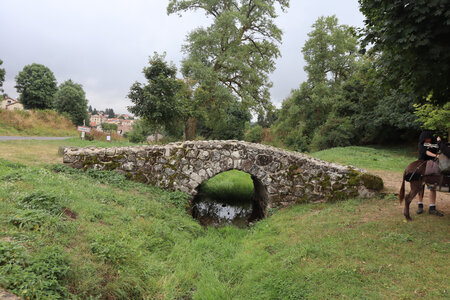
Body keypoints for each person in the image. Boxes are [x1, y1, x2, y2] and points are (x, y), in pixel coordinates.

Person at [417, 131, 443, 216]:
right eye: (426, 139)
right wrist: (435, 156)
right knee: (421, 185)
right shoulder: (421, 144)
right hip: (422, 164)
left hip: (432, 164)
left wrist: (439, 141)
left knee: (433, 186)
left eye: (429, 138)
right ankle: (420, 205)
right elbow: (426, 152)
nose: (428, 140)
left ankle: (432, 207)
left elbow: (440, 148)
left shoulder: (434, 142)